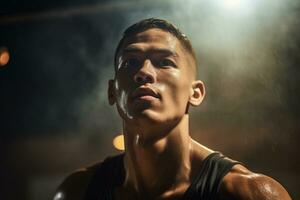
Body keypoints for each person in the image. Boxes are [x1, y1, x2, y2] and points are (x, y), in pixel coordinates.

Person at [54, 18, 292, 200]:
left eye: (164, 62)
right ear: (112, 92)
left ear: (195, 93)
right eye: (131, 62)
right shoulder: (78, 191)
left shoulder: (249, 193)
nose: (144, 72)